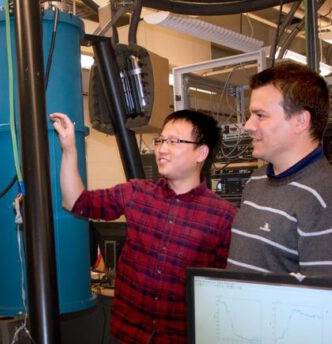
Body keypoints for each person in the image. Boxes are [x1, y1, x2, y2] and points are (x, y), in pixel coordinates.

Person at [50, 110, 236, 343]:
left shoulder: (224, 217)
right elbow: (76, 202)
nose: (162, 149)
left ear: (201, 152)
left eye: (174, 141)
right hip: (127, 334)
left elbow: (221, 292)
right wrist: (69, 148)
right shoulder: (136, 192)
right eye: (160, 140)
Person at [226, 61, 332, 277]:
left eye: (260, 115)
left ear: (301, 121)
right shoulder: (256, 180)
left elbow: (321, 301)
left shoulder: (324, 196)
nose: (248, 126)